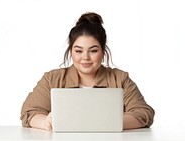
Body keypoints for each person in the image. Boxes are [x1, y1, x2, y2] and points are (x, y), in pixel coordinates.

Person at [20, 12, 155, 131]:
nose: (85, 57)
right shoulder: (52, 79)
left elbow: (144, 113)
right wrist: (45, 122)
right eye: (78, 51)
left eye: (93, 51)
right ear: (71, 52)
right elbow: (29, 112)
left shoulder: (120, 79)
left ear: (103, 52)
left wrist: (105, 122)